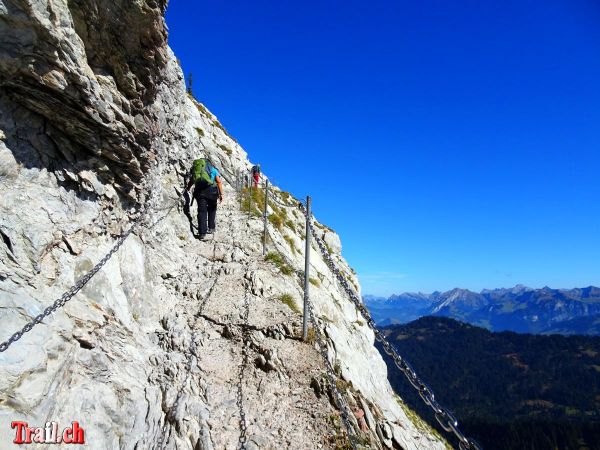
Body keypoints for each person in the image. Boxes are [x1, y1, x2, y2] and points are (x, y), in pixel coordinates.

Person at [185, 157, 224, 239]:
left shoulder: (197, 170)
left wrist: (188, 188)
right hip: (212, 192)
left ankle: (202, 233)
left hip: (200, 192)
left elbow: (192, 180)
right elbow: (219, 182)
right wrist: (221, 194)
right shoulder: (213, 169)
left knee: (202, 211)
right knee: (212, 209)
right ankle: (211, 228)